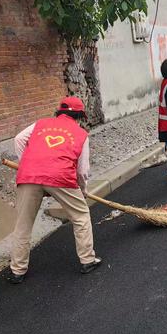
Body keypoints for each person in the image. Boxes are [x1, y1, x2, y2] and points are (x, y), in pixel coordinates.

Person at [8, 97, 101, 284]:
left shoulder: (40, 124)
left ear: (59, 111)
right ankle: (87, 260)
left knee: (23, 224)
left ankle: (17, 271)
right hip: (61, 176)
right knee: (81, 216)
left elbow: (19, 139)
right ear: (79, 116)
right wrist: (82, 190)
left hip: (29, 175)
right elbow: (82, 171)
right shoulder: (81, 134)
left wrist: (25, 163)